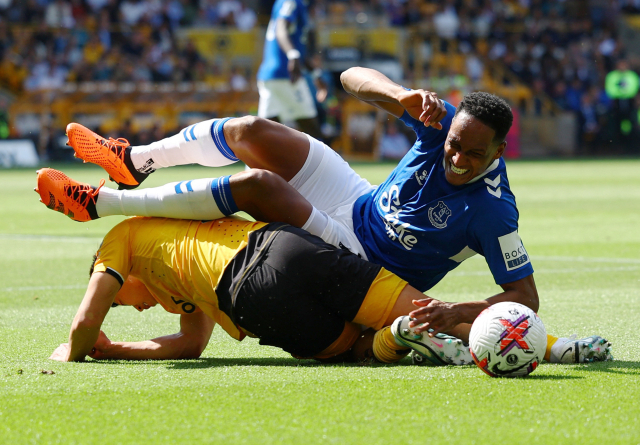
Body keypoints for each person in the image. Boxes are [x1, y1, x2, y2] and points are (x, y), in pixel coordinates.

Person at [47, 67, 611, 364]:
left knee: (258, 187)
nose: (457, 158)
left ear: (498, 154)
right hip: (356, 197)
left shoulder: (493, 211)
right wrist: (401, 95)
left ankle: (101, 204)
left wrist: (458, 310)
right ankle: (134, 161)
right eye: (454, 144)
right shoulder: (438, 122)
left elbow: (524, 296)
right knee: (248, 132)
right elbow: (349, 77)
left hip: (359, 256)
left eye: (472, 153)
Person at [40, 197, 470, 365]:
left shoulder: (118, 238)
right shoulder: (168, 247)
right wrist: (116, 350)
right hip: (284, 242)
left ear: (110, 269)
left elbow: (83, 325)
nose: (133, 307)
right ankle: (529, 342)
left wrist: (74, 352)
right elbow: (191, 345)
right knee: (425, 308)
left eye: (120, 299)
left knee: (357, 349)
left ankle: (395, 338)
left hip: (250, 293)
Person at [256, 0, 324, 139]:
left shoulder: (296, 5)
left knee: (266, 136)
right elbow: (281, 29)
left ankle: (254, 161)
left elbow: (300, 52)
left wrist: (316, 75)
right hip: (286, 76)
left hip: (269, 76)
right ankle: (327, 161)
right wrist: (292, 55)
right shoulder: (290, 1)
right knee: (313, 133)